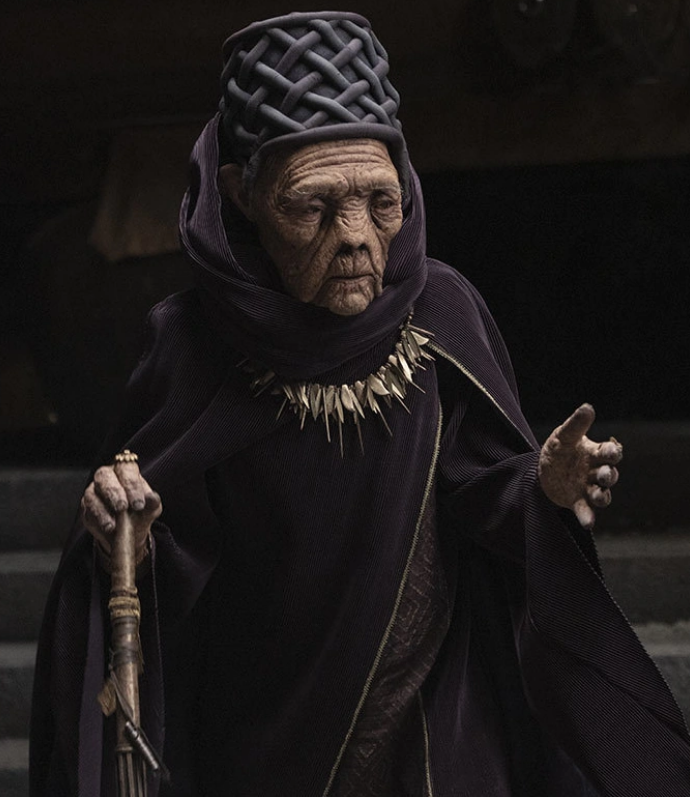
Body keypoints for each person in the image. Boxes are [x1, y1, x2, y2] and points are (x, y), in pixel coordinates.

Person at [30, 11, 690, 797]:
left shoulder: (444, 311)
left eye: (380, 201)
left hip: (431, 727)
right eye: (311, 207)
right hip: (263, 734)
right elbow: (160, 559)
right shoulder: (188, 344)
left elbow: (482, 495)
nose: (355, 236)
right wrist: (124, 530)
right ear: (242, 195)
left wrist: (538, 484)